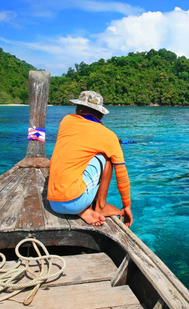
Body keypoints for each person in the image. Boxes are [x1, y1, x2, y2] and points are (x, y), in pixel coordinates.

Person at [47, 91, 133, 227]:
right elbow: (121, 174)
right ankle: (100, 206)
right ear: (101, 114)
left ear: (78, 109)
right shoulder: (108, 136)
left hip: (53, 202)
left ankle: (83, 210)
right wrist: (126, 205)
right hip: (73, 200)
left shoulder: (66, 121)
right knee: (107, 157)